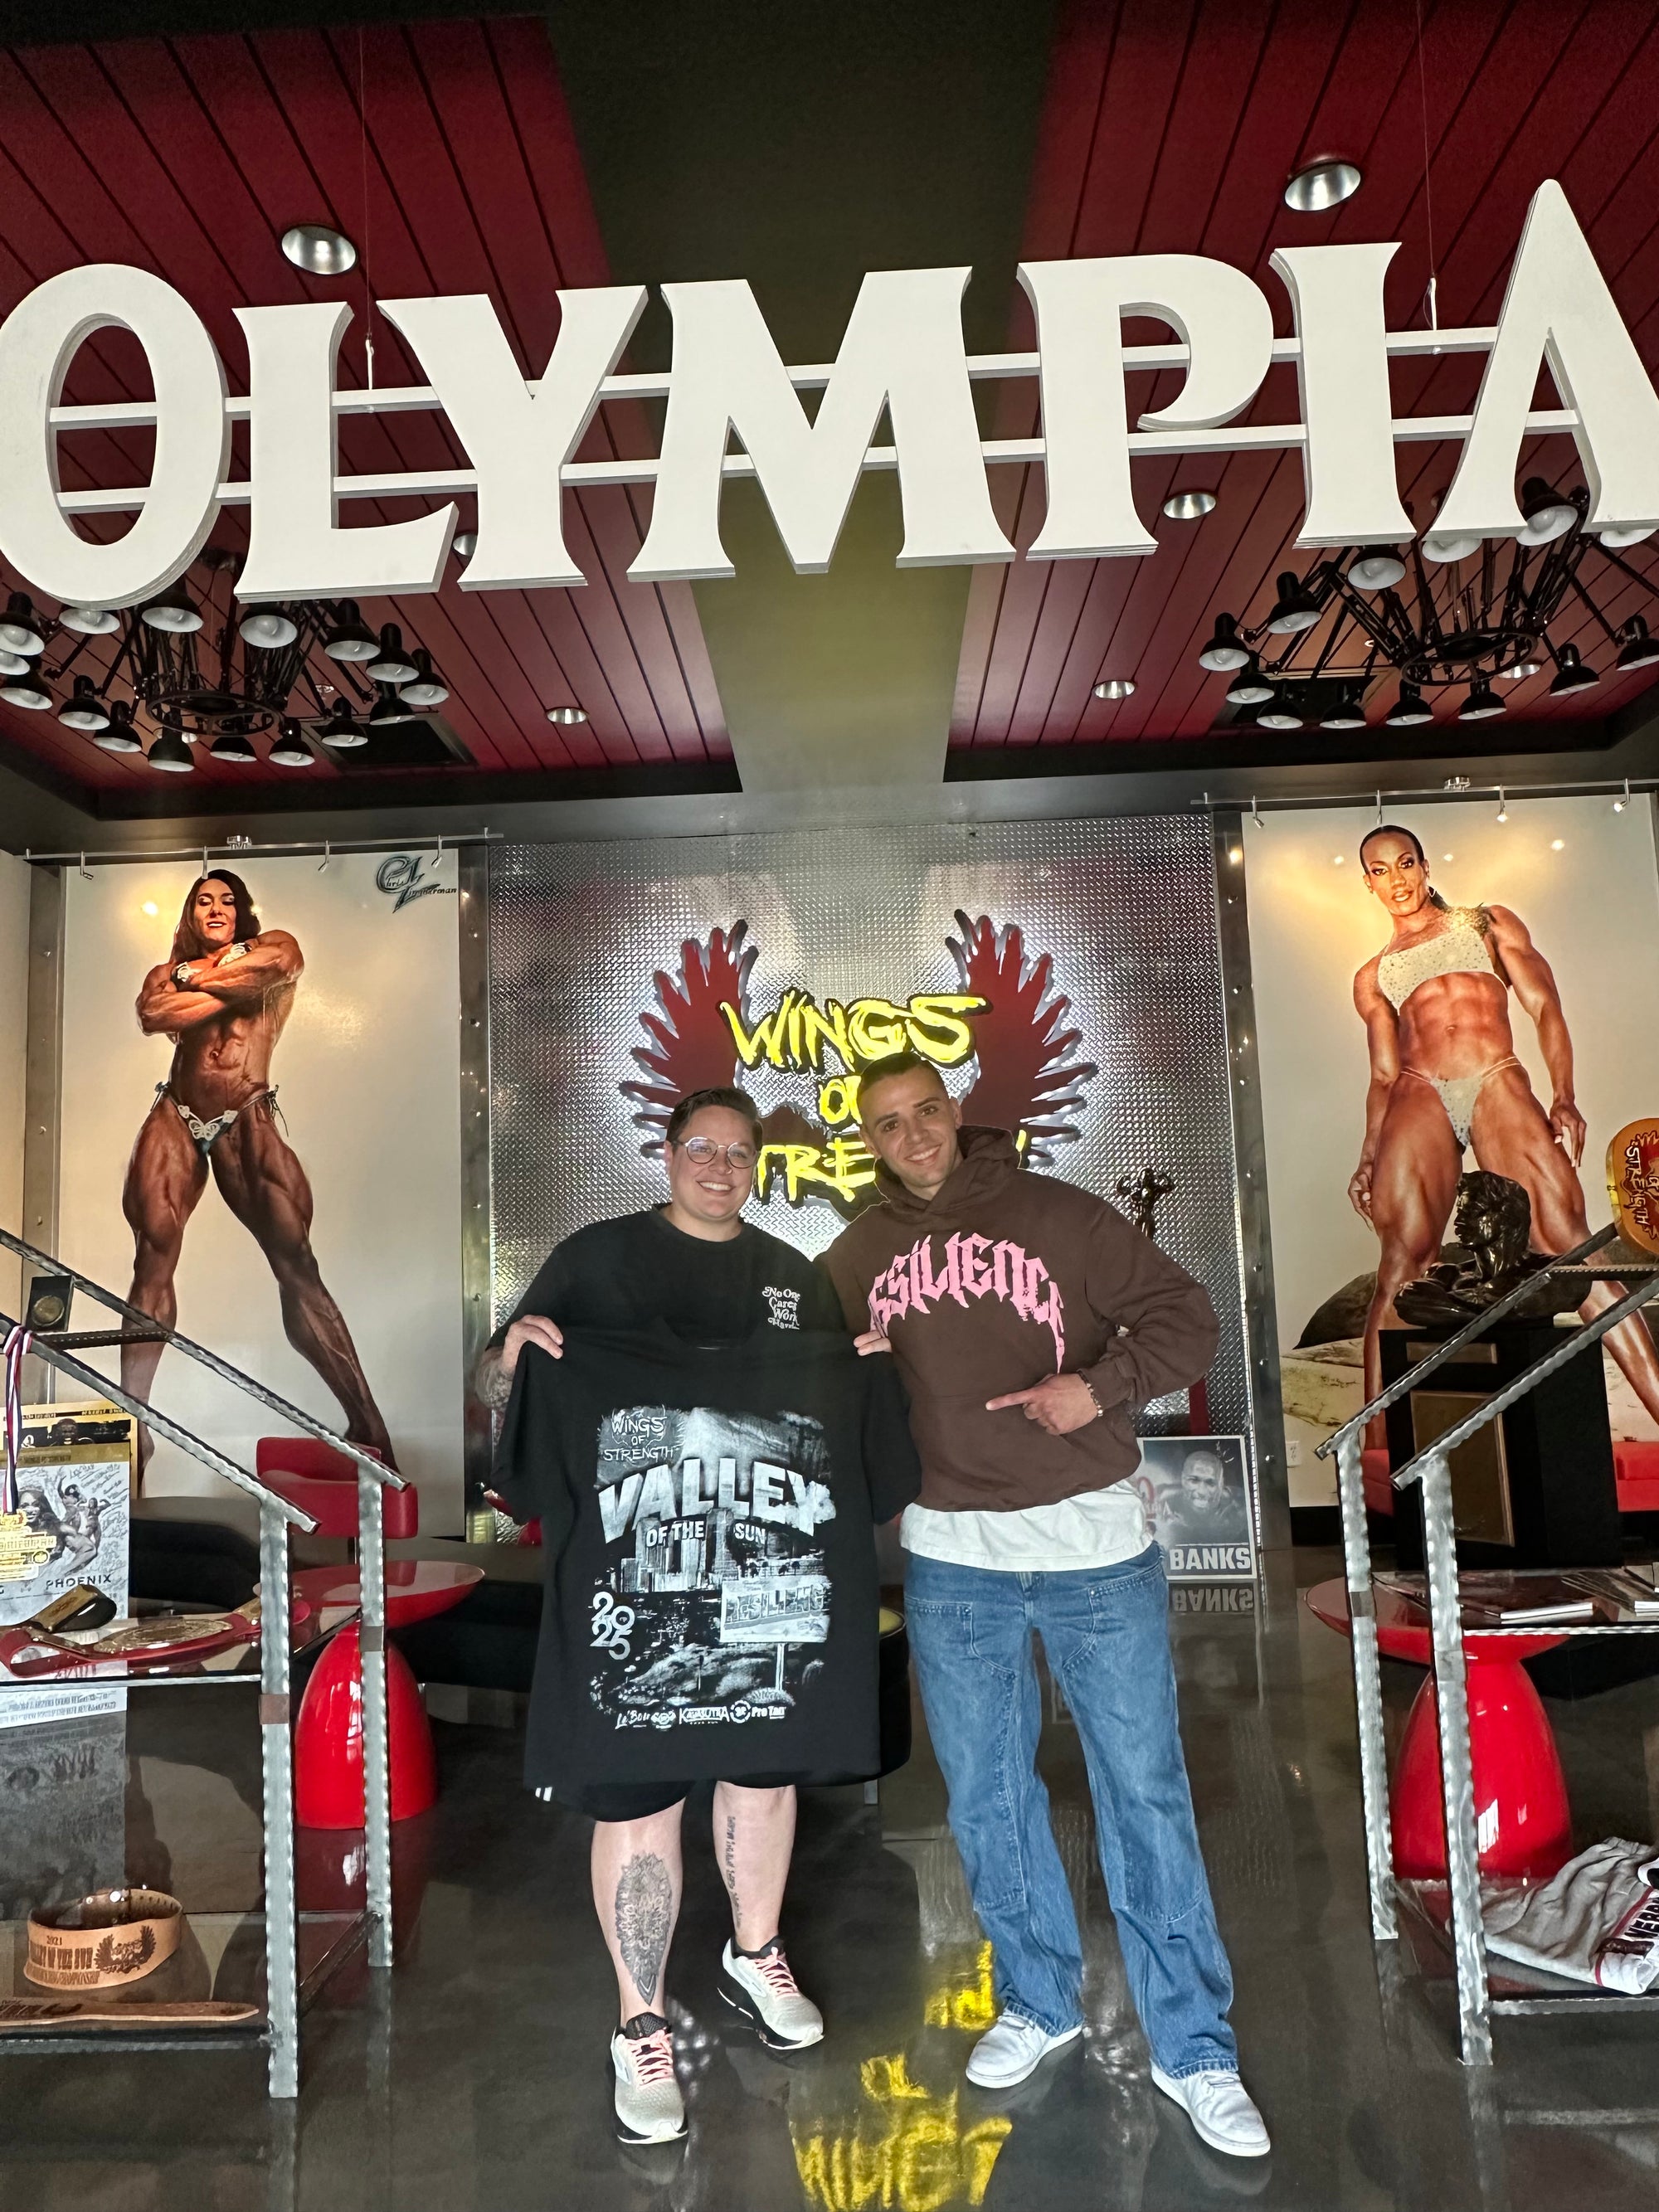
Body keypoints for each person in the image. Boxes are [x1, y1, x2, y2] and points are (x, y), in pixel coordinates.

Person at [825, 1053, 1269, 2161]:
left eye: (926, 1111)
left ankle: (1192, 2044)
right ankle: (1037, 1997)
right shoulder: (858, 1252)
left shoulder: (1059, 1215)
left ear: (955, 1112)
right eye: (888, 1123)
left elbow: (1187, 1318)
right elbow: (787, 1354)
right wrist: (841, 1365)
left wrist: (1098, 1385)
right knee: (984, 1794)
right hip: (950, 1557)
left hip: (1093, 1549)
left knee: (1142, 1789)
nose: (912, 1135)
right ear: (868, 1139)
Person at [475, 1087, 849, 2148]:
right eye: (701, 1148)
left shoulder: (791, 1279)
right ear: (668, 1152)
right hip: (626, 1582)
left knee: (762, 1772)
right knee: (637, 1798)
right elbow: (497, 1381)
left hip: (764, 1585)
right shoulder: (594, 1259)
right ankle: (639, 2021)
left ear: (757, 1165)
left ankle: (754, 1952)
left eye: (738, 1153)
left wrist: (864, 1376)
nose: (719, 1167)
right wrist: (507, 1361)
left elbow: (830, 1408)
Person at [1349, 825, 1659, 1425]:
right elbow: (1384, 1075)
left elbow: (1544, 1005)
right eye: (1381, 871)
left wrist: (1564, 1095)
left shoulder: (1485, 923)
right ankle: (1373, 1457)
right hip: (1419, 1087)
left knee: (1566, 1245)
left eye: (1405, 863)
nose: (1397, 880)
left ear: (1425, 865)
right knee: (1401, 1265)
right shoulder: (1372, 975)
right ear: (1369, 884)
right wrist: (1368, 1157)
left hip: (1493, 1073)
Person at [124, 873, 392, 1468]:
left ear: (243, 910)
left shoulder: (275, 943)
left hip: (246, 1110)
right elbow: (153, 1012)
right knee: (152, 1254)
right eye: (203, 901)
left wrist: (197, 981)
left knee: (296, 1264)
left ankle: (367, 1423)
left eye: (227, 901)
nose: (216, 909)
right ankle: (135, 1422)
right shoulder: (166, 971)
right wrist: (232, 986)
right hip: (177, 1112)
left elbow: (277, 967)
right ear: (190, 914)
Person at [1156, 1448, 1248, 1548]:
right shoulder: (1163, 1502)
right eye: (1194, 1481)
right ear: (1183, 1479)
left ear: (1221, 1484)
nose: (1202, 1491)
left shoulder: (1240, 1507)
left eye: (1210, 1483)